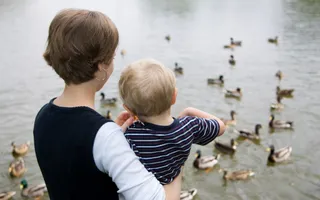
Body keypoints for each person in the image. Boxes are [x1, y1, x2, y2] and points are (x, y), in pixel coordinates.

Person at [33, 9, 181, 200]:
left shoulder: (43, 115)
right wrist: (177, 158)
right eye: (112, 57)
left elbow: (75, 170)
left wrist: (113, 136)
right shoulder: (105, 137)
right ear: (101, 66)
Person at [118, 59, 226, 185]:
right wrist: (189, 110)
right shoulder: (189, 126)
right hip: (171, 182)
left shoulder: (129, 135)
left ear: (128, 109)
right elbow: (221, 126)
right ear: (174, 96)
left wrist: (118, 130)